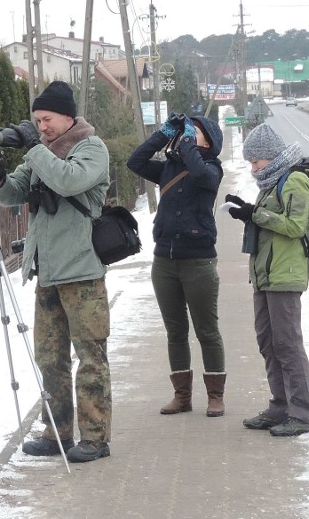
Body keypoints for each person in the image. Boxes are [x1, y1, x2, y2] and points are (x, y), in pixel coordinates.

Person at [0, 80, 112, 463]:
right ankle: (57, 433)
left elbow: (69, 181)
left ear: (68, 116)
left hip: (83, 273)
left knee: (90, 358)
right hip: (48, 273)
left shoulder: (91, 149)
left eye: (47, 119)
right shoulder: (43, 153)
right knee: (50, 359)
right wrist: (0, 178)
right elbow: (14, 194)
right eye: (37, 121)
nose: (41, 127)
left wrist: (35, 149)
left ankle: (95, 437)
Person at [126, 112, 227, 417]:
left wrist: (188, 147)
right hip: (164, 261)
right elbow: (136, 163)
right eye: (184, 131)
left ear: (208, 141)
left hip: (198, 260)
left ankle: (215, 396)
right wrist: (162, 133)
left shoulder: (211, 168)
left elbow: (199, 176)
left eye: (193, 132)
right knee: (175, 331)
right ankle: (182, 395)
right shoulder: (170, 167)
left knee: (207, 330)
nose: (185, 135)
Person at [225, 122, 309, 437]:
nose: (253, 167)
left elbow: (295, 226)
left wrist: (255, 215)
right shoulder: (271, 182)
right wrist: (248, 212)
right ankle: (280, 406)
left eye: (256, 160)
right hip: (265, 275)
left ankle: (302, 413)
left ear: (271, 155)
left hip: (285, 275)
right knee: (268, 342)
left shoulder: (295, 182)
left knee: (287, 343)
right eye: (250, 161)